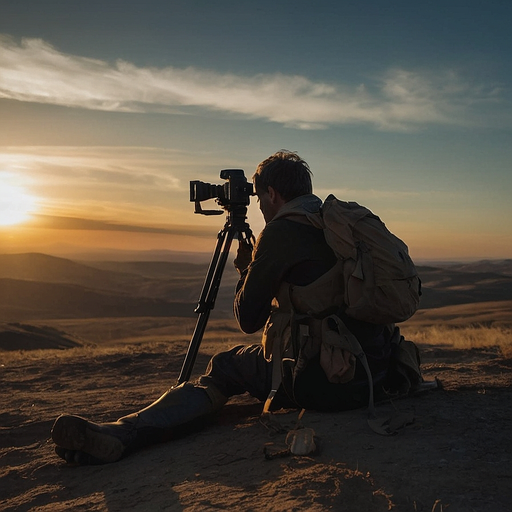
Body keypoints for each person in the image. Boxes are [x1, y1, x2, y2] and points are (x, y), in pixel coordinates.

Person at [51, 151, 400, 465]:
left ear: (272, 195)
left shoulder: (281, 233)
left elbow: (248, 319)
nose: (259, 207)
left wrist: (248, 269)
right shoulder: (337, 224)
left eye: (260, 197)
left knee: (226, 365)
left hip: (326, 384)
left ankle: (123, 432)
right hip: (375, 370)